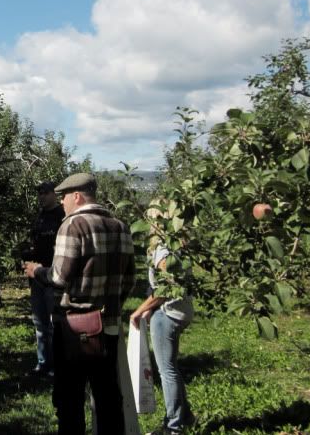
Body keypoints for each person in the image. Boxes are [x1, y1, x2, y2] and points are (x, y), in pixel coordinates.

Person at [23, 172, 135, 435]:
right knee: (108, 397)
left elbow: (59, 277)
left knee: (69, 399)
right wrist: (112, 306)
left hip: (74, 328)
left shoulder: (72, 225)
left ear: (77, 196)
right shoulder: (120, 226)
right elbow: (129, 280)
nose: (62, 202)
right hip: (108, 325)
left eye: (64, 197)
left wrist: (37, 271)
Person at [130, 206, 195, 434]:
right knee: (171, 368)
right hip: (180, 311)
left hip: (168, 314)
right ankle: (184, 416)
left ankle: (173, 426)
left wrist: (139, 310)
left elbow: (167, 288)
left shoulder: (163, 250)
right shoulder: (177, 246)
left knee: (166, 371)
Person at [23, 181, 65, 376]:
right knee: (39, 322)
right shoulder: (39, 217)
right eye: (39, 193)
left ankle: (56, 364)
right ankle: (43, 362)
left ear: (54, 194)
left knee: (54, 322)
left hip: (52, 275)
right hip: (36, 277)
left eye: (45, 193)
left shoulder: (62, 216)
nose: (41, 196)